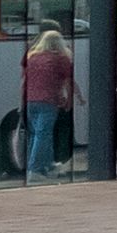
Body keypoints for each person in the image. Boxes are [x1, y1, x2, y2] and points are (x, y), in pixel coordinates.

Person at [22, 27, 72, 179]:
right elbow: (68, 81)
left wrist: (22, 101)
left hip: (31, 100)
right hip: (48, 100)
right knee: (43, 134)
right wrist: (69, 99)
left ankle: (48, 164)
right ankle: (35, 169)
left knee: (37, 134)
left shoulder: (32, 57)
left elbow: (24, 81)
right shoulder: (60, 58)